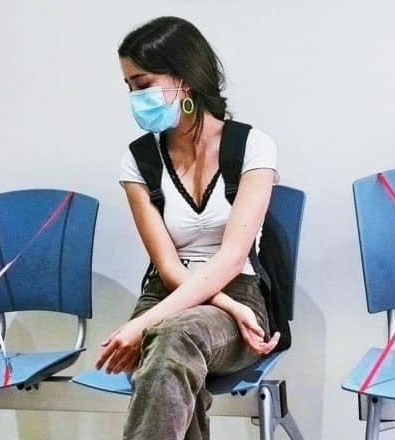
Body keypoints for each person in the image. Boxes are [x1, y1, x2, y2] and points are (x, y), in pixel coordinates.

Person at [96, 16, 281, 440]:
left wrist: (230, 307)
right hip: (167, 293)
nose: (134, 98)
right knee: (173, 350)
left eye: (142, 84)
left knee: (173, 340)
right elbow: (166, 264)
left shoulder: (253, 147)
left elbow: (233, 256)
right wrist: (156, 319)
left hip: (237, 290)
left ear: (184, 79)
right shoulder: (138, 161)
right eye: (128, 88)